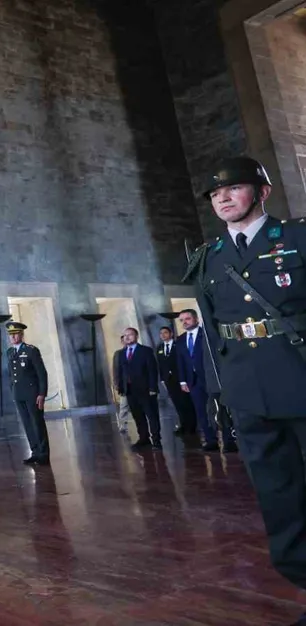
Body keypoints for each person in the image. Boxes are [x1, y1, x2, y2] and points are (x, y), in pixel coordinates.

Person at [184, 155, 306, 622]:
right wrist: (222, 395)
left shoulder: (295, 238)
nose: (222, 197)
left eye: (233, 188)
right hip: (248, 392)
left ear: (262, 192)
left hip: (299, 378)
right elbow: (214, 334)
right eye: (215, 194)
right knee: (279, 495)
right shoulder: (209, 257)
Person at [176, 309, 236, 453]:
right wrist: (183, 381)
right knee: (201, 412)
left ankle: (229, 441)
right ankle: (211, 441)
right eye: (182, 320)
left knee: (220, 410)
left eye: (188, 318)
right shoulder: (181, 339)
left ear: (196, 319)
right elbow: (181, 361)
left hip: (212, 378)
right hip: (193, 381)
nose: (185, 322)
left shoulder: (207, 335)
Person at [6, 321, 50, 465]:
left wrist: (42, 394)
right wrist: (12, 389)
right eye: (11, 335)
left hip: (33, 393)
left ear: (21, 334)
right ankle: (35, 451)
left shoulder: (31, 350)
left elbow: (41, 373)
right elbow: (11, 374)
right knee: (27, 424)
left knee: (37, 423)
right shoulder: (10, 352)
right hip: (19, 394)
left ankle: (43, 454)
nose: (13, 337)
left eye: (15, 334)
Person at [112, 327, 162, 450]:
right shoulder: (122, 353)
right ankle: (144, 438)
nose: (127, 337)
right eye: (125, 335)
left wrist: (153, 387)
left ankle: (156, 440)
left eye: (130, 334)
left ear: (136, 336)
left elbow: (152, 371)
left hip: (146, 390)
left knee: (152, 415)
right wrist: (120, 386)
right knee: (138, 416)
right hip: (130, 390)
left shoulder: (146, 351)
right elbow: (120, 371)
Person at [155, 326, 197, 437]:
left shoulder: (178, 345)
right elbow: (160, 365)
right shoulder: (159, 347)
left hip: (181, 378)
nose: (163, 335)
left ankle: (192, 426)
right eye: (161, 333)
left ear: (171, 334)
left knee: (186, 402)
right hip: (169, 381)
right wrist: (163, 379)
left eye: (165, 332)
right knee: (177, 403)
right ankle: (183, 424)